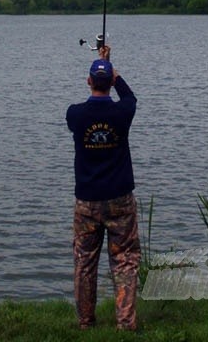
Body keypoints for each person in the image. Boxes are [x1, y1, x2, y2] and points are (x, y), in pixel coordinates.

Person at [66, 45, 140, 331]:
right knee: (124, 261)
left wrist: (101, 65)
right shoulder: (123, 113)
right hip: (120, 199)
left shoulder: (75, 115)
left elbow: (89, 107)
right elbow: (130, 96)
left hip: (87, 201)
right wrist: (113, 71)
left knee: (85, 262)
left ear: (88, 82)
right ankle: (125, 323)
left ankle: (86, 322)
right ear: (110, 82)